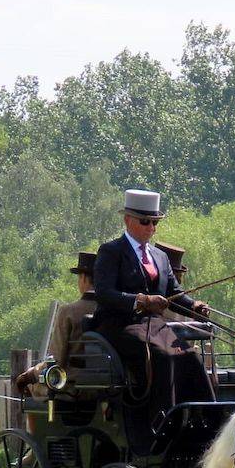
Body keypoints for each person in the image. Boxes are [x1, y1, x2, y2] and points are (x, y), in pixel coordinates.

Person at [91, 189, 215, 449]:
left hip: (154, 326)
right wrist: (141, 300)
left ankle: (208, 421)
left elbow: (174, 294)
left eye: (155, 222)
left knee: (190, 356)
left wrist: (194, 306)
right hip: (119, 324)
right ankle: (162, 422)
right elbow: (104, 293)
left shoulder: (160, 257)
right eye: (146, 221)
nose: (152, 228)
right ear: (128, 220)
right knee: (162, 355)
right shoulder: (111, 251)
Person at [15, 250, 99, 395]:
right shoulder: (113, 311)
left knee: (30, 390)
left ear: (84, 278)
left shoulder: (68, 312)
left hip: (72, 388)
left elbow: (56, 360)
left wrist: (32, 373)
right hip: (107, 387)